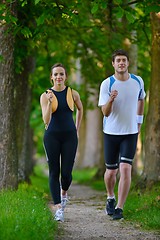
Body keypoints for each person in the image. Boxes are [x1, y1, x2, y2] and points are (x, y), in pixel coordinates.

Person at [98, 49, 145, 220]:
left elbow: (141, 99)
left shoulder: (138, 81)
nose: (121, 63)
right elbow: (105, 113)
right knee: (111, 172)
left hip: (130, 132)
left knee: (126, 168)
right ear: (113, 64)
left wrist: (139, 122)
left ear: (128, 62)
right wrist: (110, 99)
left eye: (124, 60)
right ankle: (110, 197)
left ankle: (119, 208)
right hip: (111, 132)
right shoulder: (107, 84)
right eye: (118, 60)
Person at [40, 63, 83, 222]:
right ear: (51, 77)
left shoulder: (73, 94)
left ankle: (64, 192)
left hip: (70, 137)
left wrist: (77, 128)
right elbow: (46, 120)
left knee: (66, 174)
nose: (59, 77)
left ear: (65, 76)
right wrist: (50, 102)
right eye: (56, 74)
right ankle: (58, 208)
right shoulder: (45, 95)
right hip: (51, 137)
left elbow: (80, 109)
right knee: (54, 172)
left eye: (61, 74)